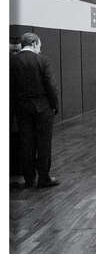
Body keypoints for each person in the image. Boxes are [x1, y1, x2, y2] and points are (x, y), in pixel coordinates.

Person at [10, 33, 60, 188]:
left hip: (22, 109)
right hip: (42, 107)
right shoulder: (42, 60)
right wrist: (55, 105)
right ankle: (44, 178)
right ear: (33, 43)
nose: (40, 48)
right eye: (39, 44)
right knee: (43, 144)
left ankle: (29, 179)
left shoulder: (12, 61)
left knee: (26, 143)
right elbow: (50, 86)